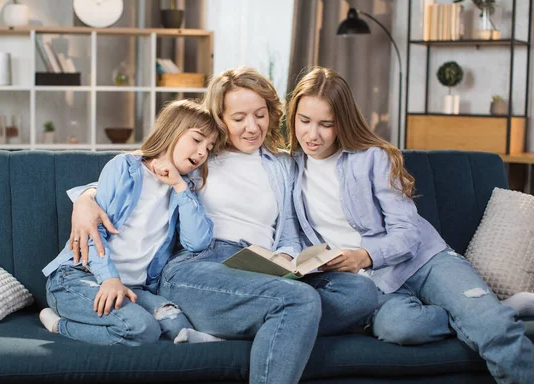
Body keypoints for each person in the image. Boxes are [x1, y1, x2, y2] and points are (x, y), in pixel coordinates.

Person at [70, 67, 328, 384]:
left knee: (359, 293)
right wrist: (85, 199)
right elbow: (142, 169)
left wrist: (286, 258)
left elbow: (288, 230)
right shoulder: (201, 155)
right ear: (219, 119)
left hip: (260, 267)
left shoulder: (282, 165)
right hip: (200, 264)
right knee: (301, 301)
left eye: (260, 115)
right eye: (239, 118)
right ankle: (278, 316)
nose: (252, 127)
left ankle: (260, 318)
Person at [285, 66, 534, 383]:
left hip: (424, 260)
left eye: (326, 124)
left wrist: (365, 256)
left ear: (342, 123)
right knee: (401, 328)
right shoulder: (289, 168)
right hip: (373, 284)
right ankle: (490, 307)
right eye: (304, 121)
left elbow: (408, 233)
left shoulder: (373, 157)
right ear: (293, 117)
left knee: (494, 329)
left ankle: (486, 313)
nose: (312, 134)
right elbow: (291, 234)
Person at [39, 100, 224, 347]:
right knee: (142, 329)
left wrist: (179, 186)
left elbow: (197, 242)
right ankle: (57, 324)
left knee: (176, 324)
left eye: (209, 147)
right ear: (172, 130)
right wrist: (108, 279)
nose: (203, 152)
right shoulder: (124, 168)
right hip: (79, 277)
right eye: (197, 140)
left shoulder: (185, 189)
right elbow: (95, 231)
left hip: (134, 287)